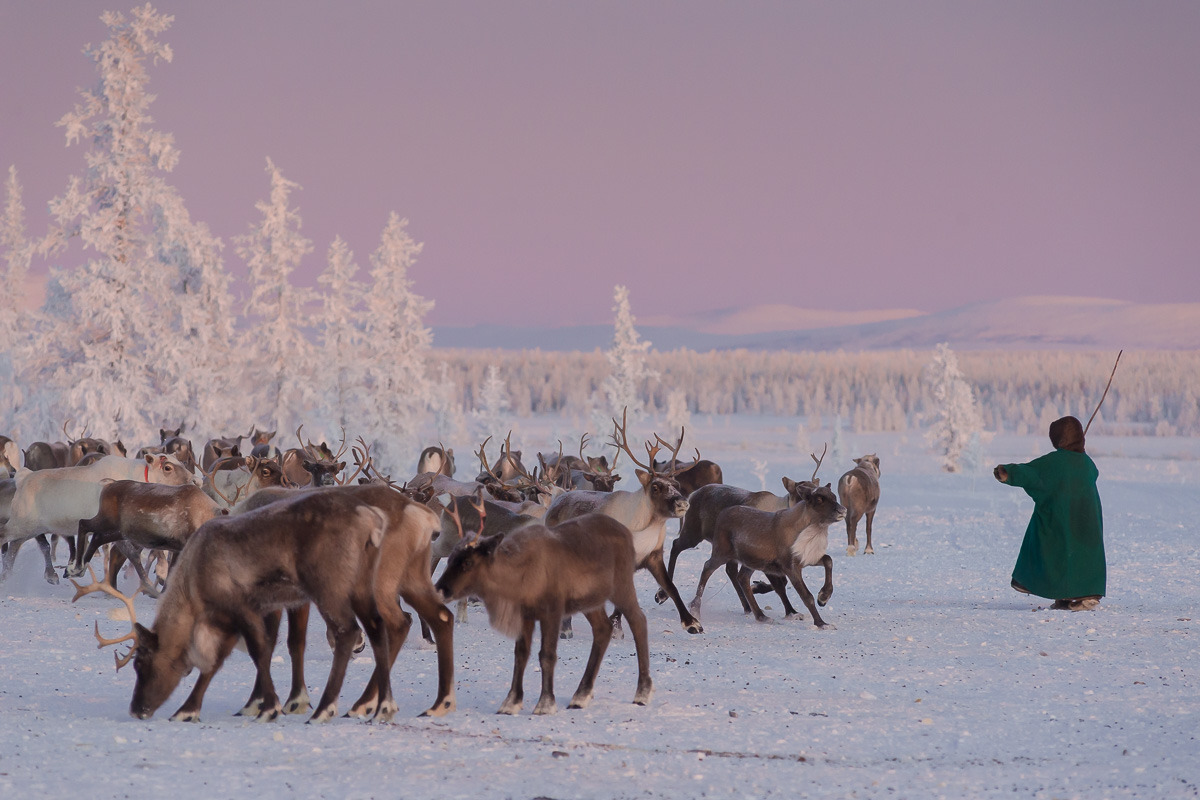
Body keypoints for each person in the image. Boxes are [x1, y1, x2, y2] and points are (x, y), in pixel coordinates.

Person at [994, 415, 1105, 611]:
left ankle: (1040, 584)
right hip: (1086, 521)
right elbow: (1088, 474)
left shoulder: (1055, 462)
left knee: (1049, 546)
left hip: (1059, 519)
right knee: (1082, 553)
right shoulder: (1087, 463)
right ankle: (1078, 593)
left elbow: (1032, 472)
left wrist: (1007, 472)